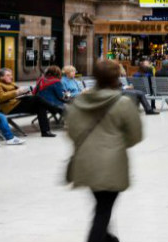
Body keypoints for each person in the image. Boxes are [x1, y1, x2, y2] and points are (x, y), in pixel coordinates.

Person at [66, 59, 143, 242]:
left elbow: (71, 131)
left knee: (102, 206)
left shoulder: (79, 102)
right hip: (112, 165)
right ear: (117, 78)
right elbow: (135, 135)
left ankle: (108, 238)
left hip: (85, 163)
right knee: (103, 210)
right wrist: (115, 144)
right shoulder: (123, 103)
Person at [0, 68, 56, 137]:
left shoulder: (10, 83)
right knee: (37, 98)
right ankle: (55, 109)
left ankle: (45, 131)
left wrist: (25, 93)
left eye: (11, 75)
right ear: (1, 77)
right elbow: (0, 97)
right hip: (10, 107)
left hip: (17, 104)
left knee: (40, 106)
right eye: (8, 75)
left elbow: (16, 94)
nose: (11, 77)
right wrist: (16, 92)